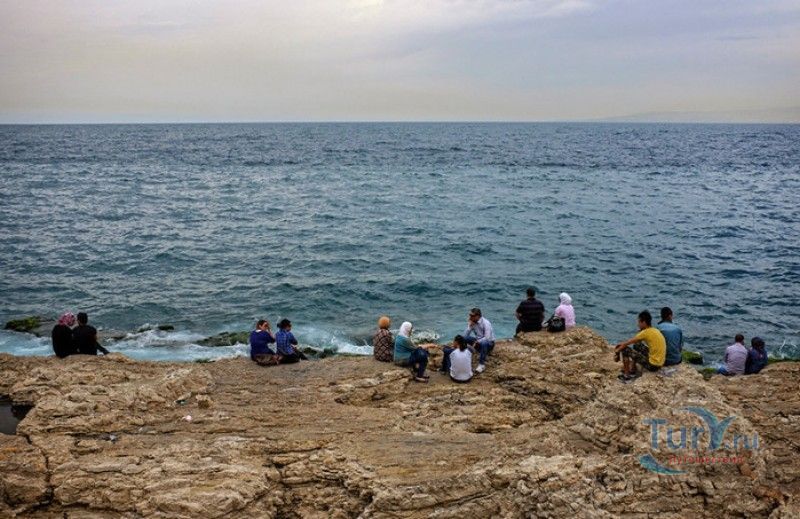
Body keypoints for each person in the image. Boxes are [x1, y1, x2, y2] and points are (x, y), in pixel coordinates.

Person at [613, 310, 666, 380]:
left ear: (644, 322)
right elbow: (635, 342)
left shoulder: (645, 332)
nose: (638, 325)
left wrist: (617, 351)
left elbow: (627, 343)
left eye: (639, 322)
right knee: (637, 345)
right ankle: (632, 369)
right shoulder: (655, 330)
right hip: (660, 363)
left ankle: (626, 375)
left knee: (625, 349)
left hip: (653, 366)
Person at [464, 308, 495, 373]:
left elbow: (487, 337)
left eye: (472, 316)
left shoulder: (486, 323)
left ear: (478, 316)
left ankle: (481, 364)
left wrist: (477, 341)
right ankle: (463, 355)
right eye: (470, 315)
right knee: (464, 338)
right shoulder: (473, 322)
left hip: (489, 344)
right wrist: (469, 326)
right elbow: (466, 335)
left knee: (484, 342)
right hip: (478, 342)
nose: (470, 317)